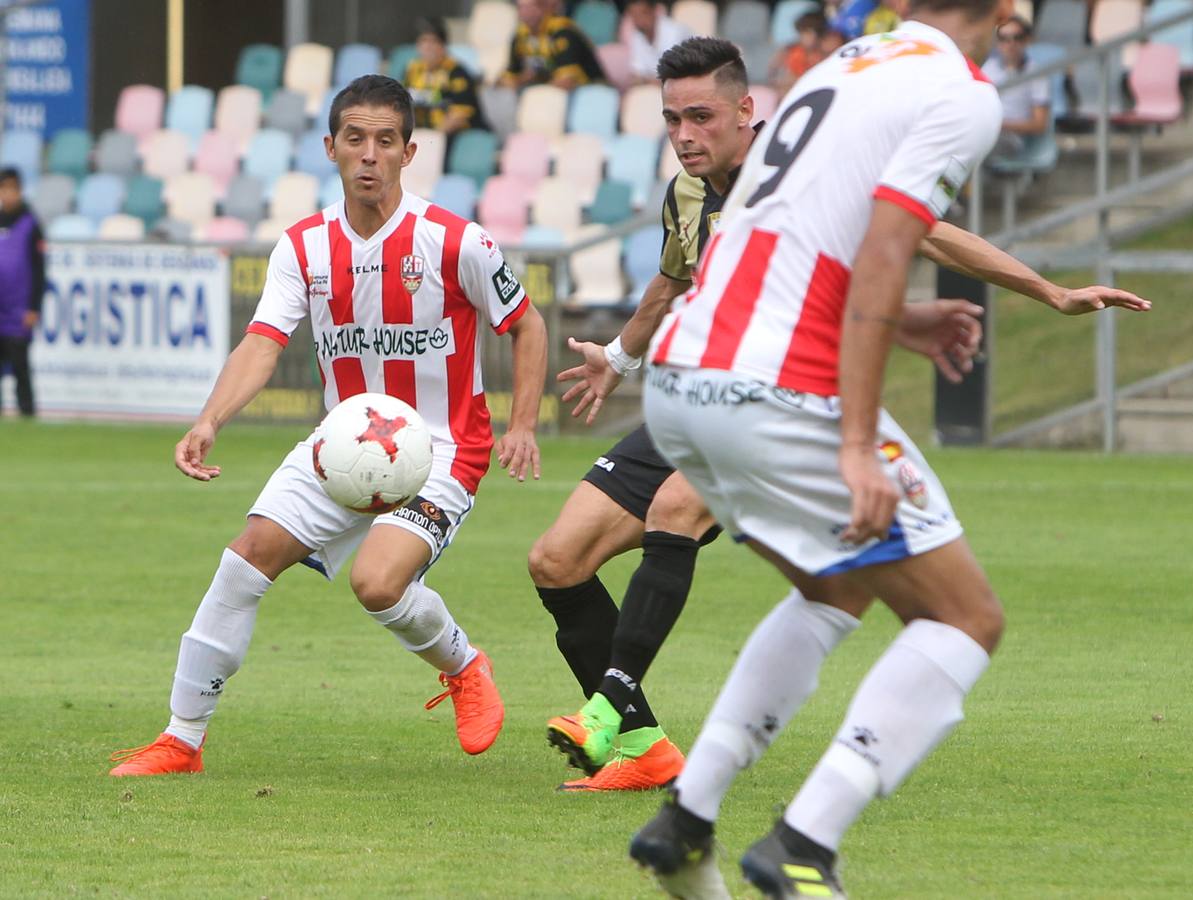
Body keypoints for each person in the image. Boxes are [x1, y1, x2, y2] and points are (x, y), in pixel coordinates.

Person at [627, 1, 1151, 896]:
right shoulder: (960, 91)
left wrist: (901, 323)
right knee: (964, 619)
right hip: (777, 385)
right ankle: (805, 842)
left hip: (680, 379)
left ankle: (688, 816)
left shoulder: (842, 66)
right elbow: (883, 251)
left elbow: (787, 238)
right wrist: (860, 445)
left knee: (835, 585)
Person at [108, 75, 548, 777]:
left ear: (410, 150)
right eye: (354, 139)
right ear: (330, 148)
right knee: (243, 559)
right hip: (340, 444)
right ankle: (181, 739)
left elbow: (526, 325)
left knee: (376, 584)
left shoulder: (456, 241)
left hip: (441, 447)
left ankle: (464, 666)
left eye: (384, 141)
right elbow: (261, 343)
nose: (368, 155)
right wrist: (210, 419)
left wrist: (522, 422)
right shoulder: (304, 247)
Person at [528, 37, 760, 793]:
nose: (686, 135)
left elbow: (918, 233)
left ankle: (605, 705)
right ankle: (645, 746)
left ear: (745, 110)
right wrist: (619, 360)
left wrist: (1045, 291)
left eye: (702, 116)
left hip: (775, 403)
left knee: (673, 510)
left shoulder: (797, 181)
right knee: (556, 562)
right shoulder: (684, 193)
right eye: (672, 120)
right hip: (690, 402)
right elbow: (668, 284)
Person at [0, 167, 45, 419]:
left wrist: (33, 307)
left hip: (18, 310)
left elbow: (40, 270)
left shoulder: (31, 224)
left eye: (12, 189)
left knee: (20, 367)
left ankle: (27, 415)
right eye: (3, 189)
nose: (7, 194)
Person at [404, 16, 490, 137]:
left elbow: (459, 117)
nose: (428, 47)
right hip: (422, 137)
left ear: (443, 46)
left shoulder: (457, 73)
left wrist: (433, 139)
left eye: (433, 41)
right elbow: (403, 107)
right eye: (423, 41)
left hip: (456, 138)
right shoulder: (412, 70)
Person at [981, 15, 1051, 156]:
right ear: (997, 42)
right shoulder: (987, 68)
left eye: (1017, 37)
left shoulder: (1036, 74)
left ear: (1027, 40)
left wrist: (1001, 125)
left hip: (1012, 139)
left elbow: (1040, 124)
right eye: (1004, 38)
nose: (1010, 43)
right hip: (985, 132)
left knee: (977, 146)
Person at [500, 0, 605, 90]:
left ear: (544, 8)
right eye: (520, 7)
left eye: (530, 7)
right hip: (550, 93)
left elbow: (567, 82)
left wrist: (529, 82)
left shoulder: (562, 32)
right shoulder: (520, 35)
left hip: (590, 92)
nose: (525, 13)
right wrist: (524, 79)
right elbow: (509, 79)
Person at [624, 0, 694, 85]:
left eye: (643, 13)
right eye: (634, 16)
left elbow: (673, 76)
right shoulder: (637, 35)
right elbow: (636, 74)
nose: (639, 20)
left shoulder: (674, 32)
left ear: (654, 11)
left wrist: (646, 80)